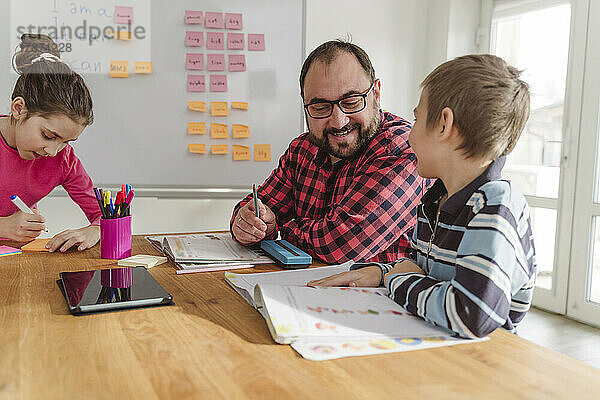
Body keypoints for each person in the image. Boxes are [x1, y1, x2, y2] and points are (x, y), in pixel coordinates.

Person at [309, 54, 537, 339]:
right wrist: (382, 273)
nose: (408, 134)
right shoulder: (435, 201)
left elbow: (472, 313)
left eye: (416, 119)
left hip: (480, 365)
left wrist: (397, 280)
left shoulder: (495, 205)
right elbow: (421, 271)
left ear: (443, 124)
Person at [230, 40, 428, 263]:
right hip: (300, 288)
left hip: (373, 295)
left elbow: (339, 247)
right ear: (305, 106)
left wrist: (283, 226)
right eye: (320, 107)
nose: (339, 121)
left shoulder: (400, 150)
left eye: (352, 102)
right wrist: (247, 224)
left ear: (377, 93)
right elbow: (257, 208)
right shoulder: (302, 149)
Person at [0, 34, 101, 252]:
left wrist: (94, 230)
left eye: (66, 141)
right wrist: (2, 227)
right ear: (19, 109)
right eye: (48, 136)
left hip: (19, 266)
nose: (54, 151)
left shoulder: (64, 159)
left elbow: (107, 214)